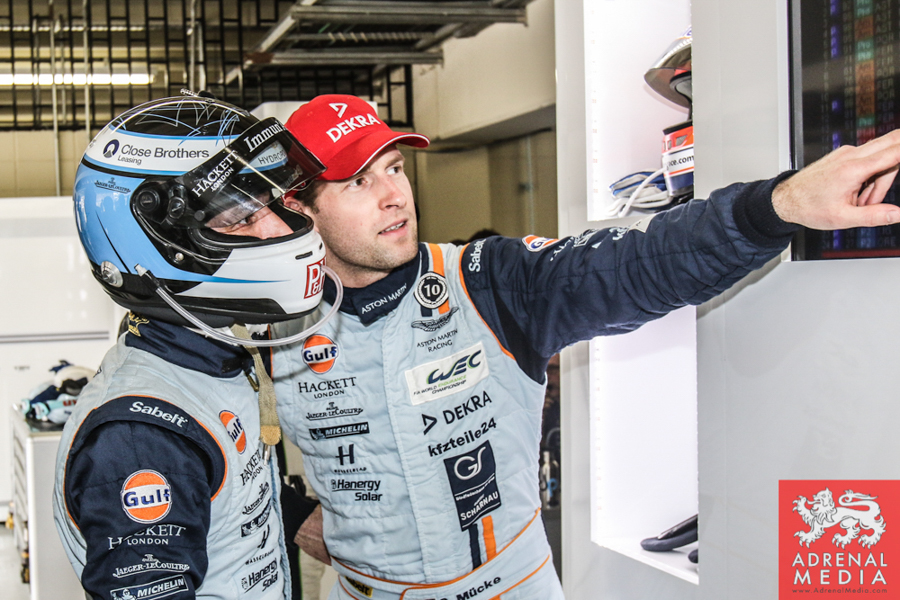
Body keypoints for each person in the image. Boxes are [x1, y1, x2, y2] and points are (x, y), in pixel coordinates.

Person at [269, 93, 900, 600]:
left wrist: (778, 206)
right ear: (301, 208)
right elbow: (228, 442)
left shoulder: (488, 281)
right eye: (358, 182)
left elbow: (641, 263)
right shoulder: (269, 322)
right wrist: (293, 512)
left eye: (395, 168)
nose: (394, 196)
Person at [52, 94, 332, 600]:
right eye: (239, 217)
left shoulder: (210, 352)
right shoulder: (142, 438)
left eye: (269, 203)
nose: (276, 228)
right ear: (151, 242)